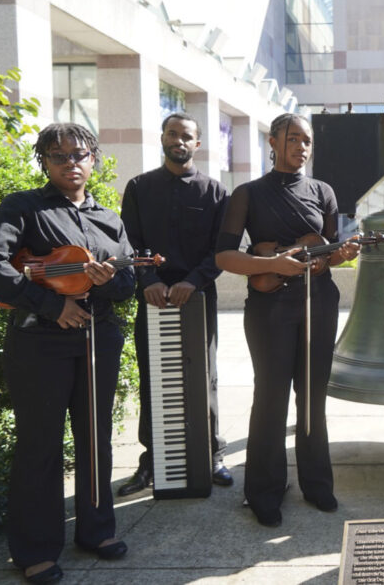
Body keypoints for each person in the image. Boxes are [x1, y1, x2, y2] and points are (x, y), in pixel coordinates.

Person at [0, 123, 135, 584]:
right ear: (44, 162)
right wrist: (52, 303)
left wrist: (108, 281)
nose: (70, 163)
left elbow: (126, 283)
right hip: (39, 343)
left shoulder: (109, 219)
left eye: (79, 154)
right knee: (40, 445)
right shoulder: (24, 208)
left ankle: (96, 531)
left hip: (99, 340)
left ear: (93, 158)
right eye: (58, 156)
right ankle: (35, 550)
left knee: (95, 437)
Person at [215, 113, 359, 528]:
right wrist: (271, 262)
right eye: (293, 139)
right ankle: (264, 490)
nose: (302, 147)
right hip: (269, 308)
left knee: (312, 396)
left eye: (307, 141)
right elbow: (224, 256)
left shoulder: (323, 191)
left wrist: (342, 254)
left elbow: (327, 253)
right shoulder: (247, 193)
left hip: (318, 303)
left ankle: (317, 484)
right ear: (273, 142)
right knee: (271, 396)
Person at [118, 113, 231, 496]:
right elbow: (128, 243)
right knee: (154, 377)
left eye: (187, 136)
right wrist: (148, 280)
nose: (178, 141)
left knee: (206, 378)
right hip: (152, 298)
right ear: (162, 137)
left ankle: (212, 453)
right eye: (172, 133)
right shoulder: (138, 187)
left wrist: (192, 281)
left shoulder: (215, 192)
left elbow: (222, 250)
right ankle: (151, 460)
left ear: (197, 144)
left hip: (197, 296)